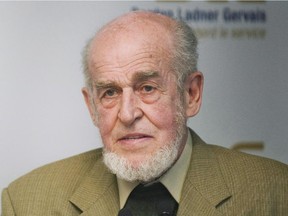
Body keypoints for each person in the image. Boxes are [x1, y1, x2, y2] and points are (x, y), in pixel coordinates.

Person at [2, 11, 288, 216]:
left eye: (148, 88)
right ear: (91, 107)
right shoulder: (24, 202)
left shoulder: (277, 193)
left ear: (191, 94)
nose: (127, 114)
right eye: (110, 93)